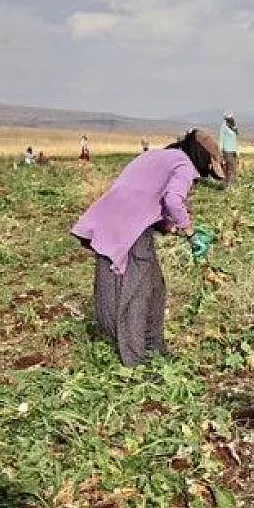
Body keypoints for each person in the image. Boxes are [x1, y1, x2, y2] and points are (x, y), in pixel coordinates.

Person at [70, 129, 224, 367]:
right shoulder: (183, 164)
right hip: (129, 228)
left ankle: (155, 349)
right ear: (202, 158)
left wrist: (171, 228)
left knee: (155, 287)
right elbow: (173, 200)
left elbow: (146, 197)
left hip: (116, 220)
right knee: (136, 293)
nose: (202, 176)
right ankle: (135, 360)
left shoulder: (159, 156)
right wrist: (190, 232)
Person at [218, 112, 240, 188]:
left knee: (233, 168)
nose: (232, 119)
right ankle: (229, 186)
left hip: (233, 151)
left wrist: (237, 152)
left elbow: (235, 140)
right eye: (230, 118)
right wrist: (220, 152)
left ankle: (228, 185)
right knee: (231, 168)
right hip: (227, 151)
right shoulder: (223, 127)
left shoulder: (233, 127)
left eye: (232, 117)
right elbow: (221, 139)